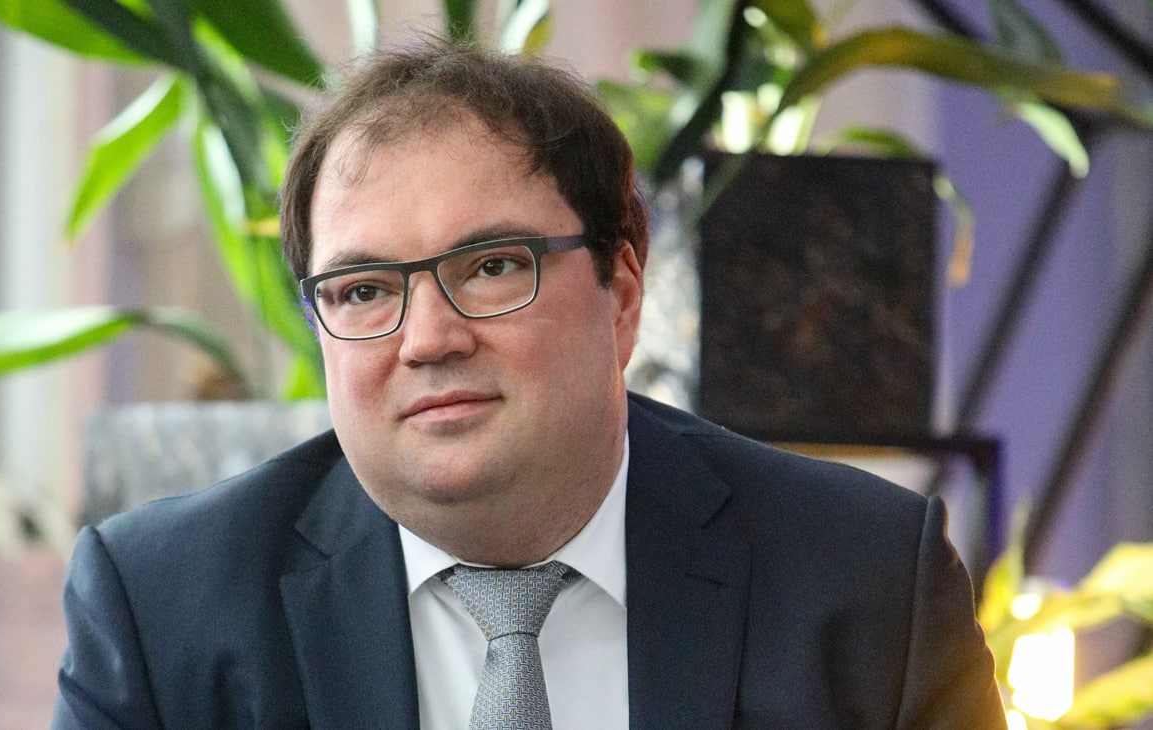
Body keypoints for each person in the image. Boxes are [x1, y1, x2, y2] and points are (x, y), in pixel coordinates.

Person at [54, 37, 1006, 729]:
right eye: (364, 289)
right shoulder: (162, 609)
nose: (429, 339)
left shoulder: (868, 585)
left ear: (621, 295)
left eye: (493, 267)